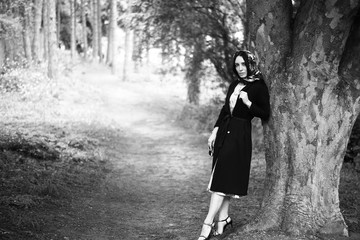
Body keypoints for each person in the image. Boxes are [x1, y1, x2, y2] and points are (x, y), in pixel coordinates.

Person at [197, 50, 270, 240]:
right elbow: (224, 110)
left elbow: (265, 113)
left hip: (239, 136)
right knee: (225, 179)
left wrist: (248, 103)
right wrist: (214, 131)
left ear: (250, 64)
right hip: (224, 133)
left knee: (221, 180)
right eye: (237, 65)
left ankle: (207, 224)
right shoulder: (234, 84)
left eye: (243, 64)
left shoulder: (259, 87)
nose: (240, 68)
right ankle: (222, 221)